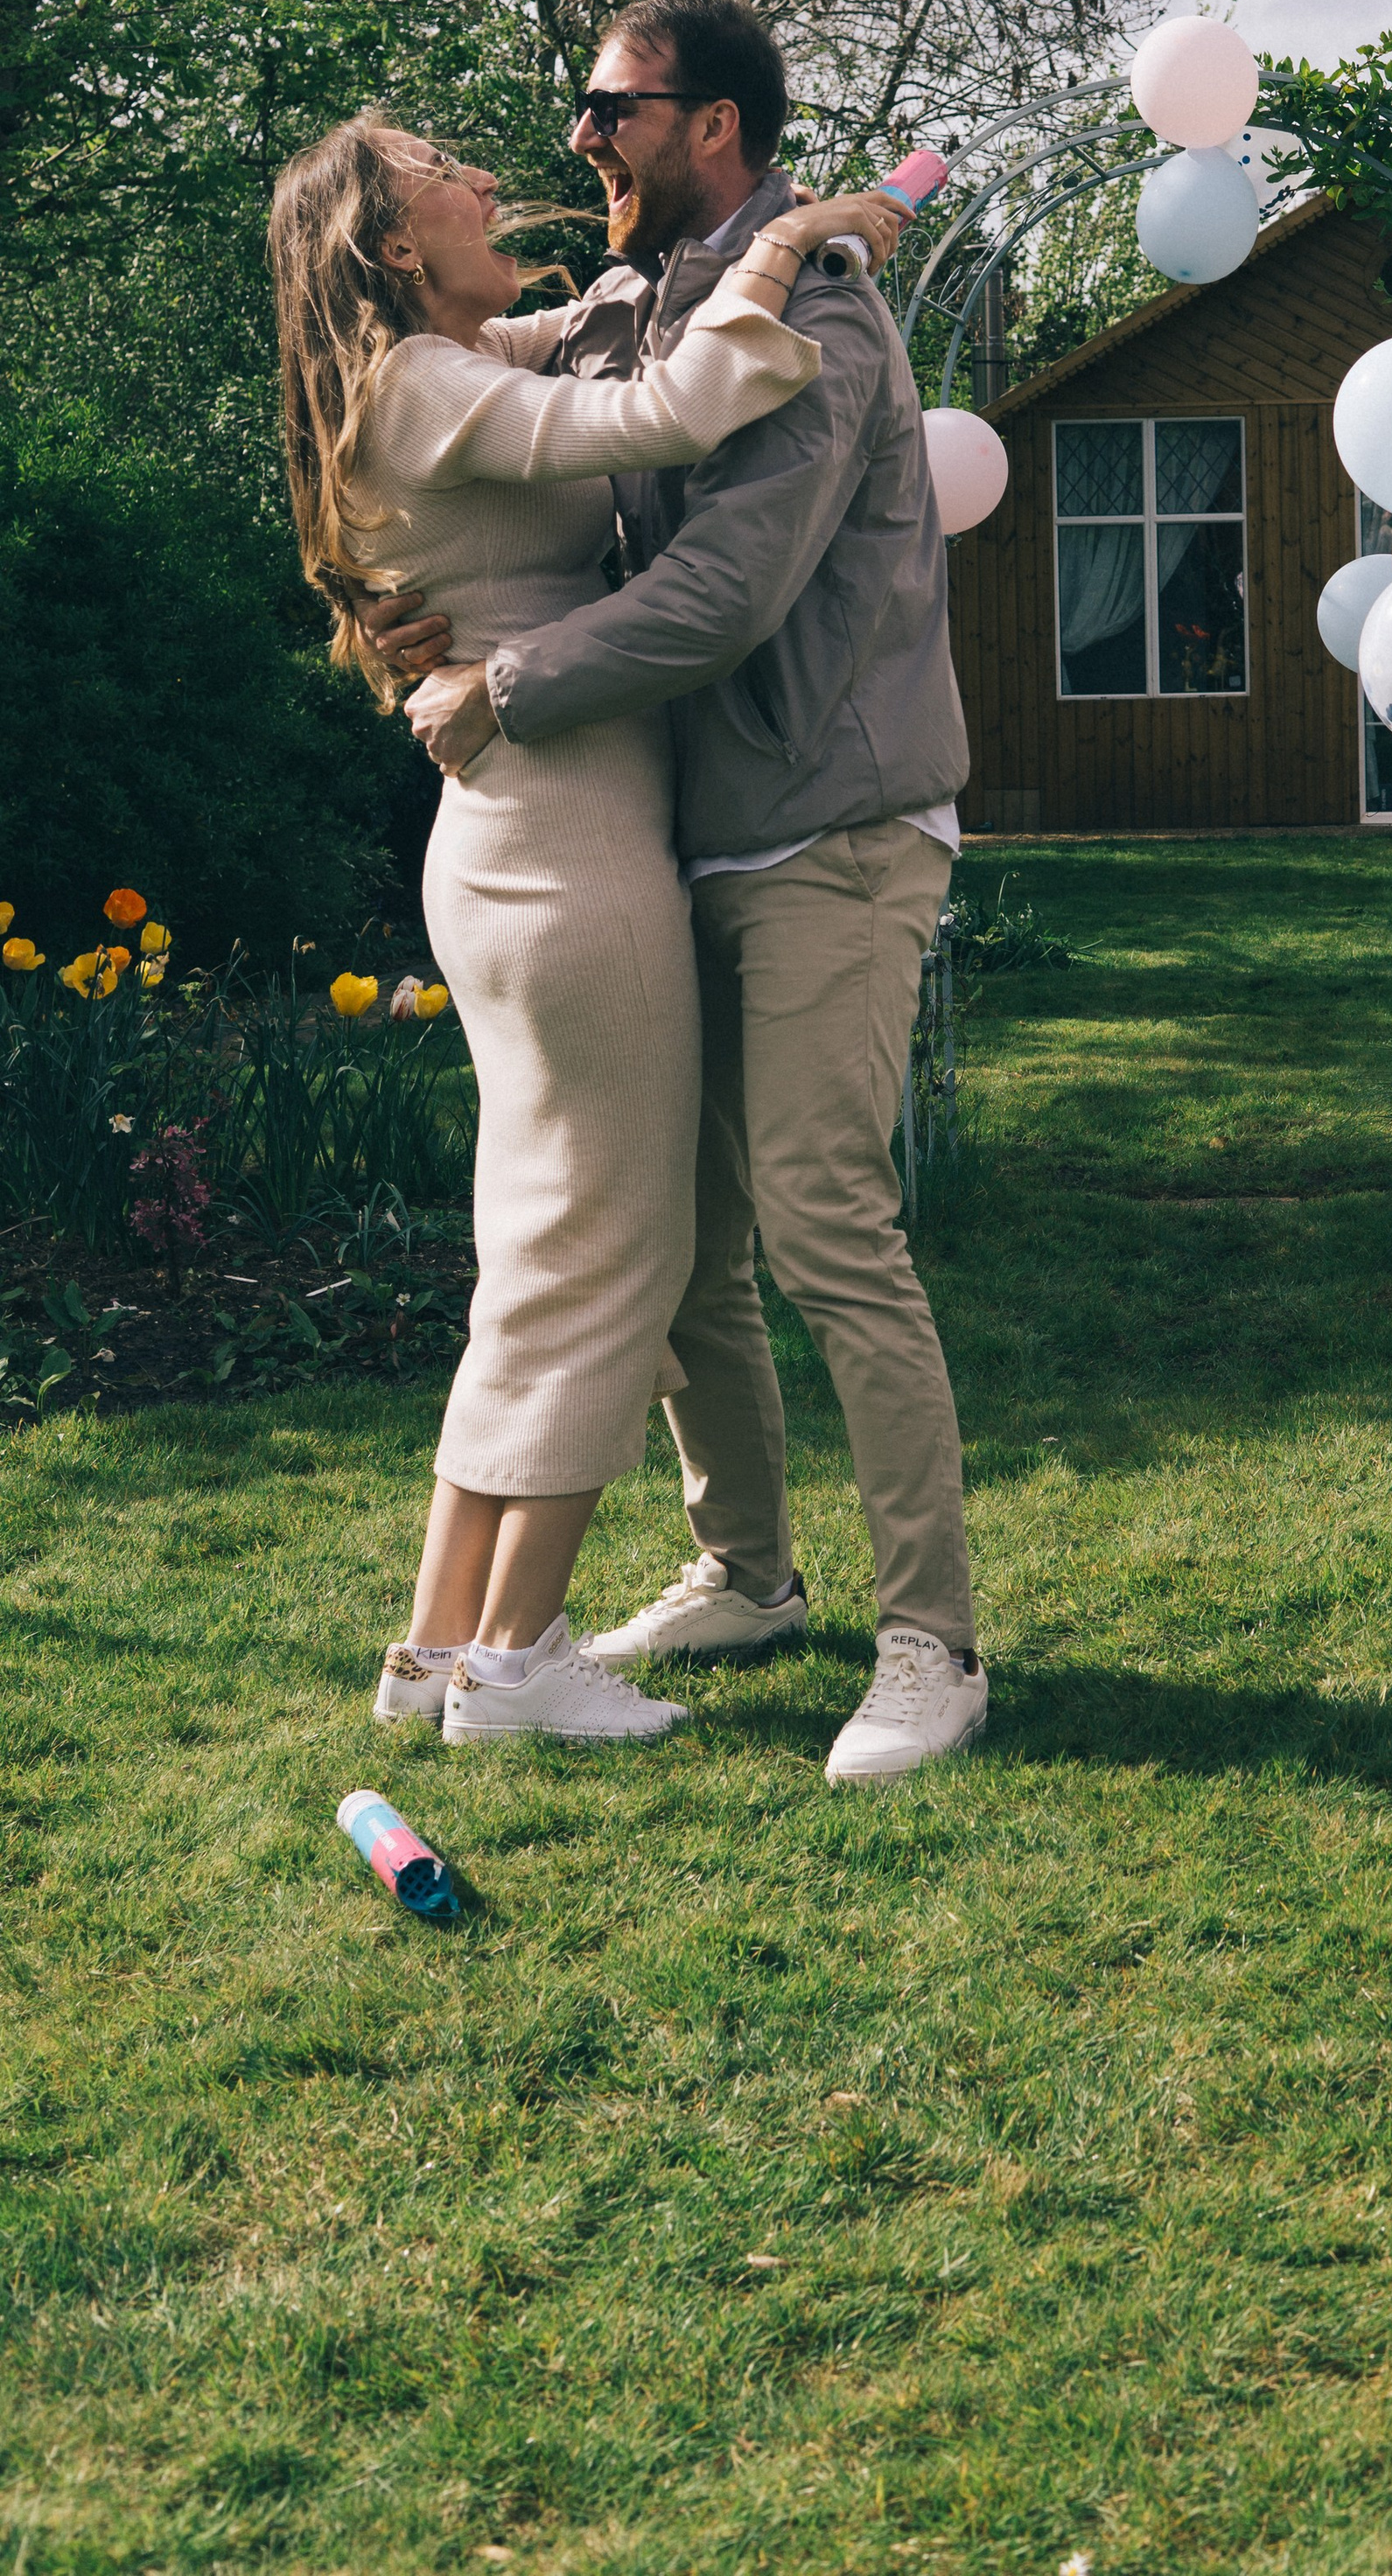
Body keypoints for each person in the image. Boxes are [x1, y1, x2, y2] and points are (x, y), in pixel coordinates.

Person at [363, 0, 986, 1786]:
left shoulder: (826, 317)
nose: (578, 140)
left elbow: (723, 591)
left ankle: (930, 1641)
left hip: (831, 830)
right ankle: (743, 1570)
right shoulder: (632, 306)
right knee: (684, 1251)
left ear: (709, 124)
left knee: (817, 1223)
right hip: (678, 831)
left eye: (607, 109)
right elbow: (488, 485)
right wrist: (410, 619)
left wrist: (506, 690)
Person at [272, 109, 900, 1744]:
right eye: (442, 179)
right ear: (397, 247)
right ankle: (519, 1659)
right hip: (568, 852)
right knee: (619, 1251)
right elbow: (677, 399)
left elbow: (618, 333)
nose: (488, 180)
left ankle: (432, 1652)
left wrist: (800, 214)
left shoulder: (436, 362)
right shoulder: (427, 382)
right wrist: (788, 244)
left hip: (522, 843)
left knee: (540, 1255)